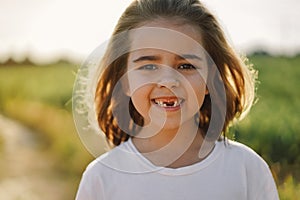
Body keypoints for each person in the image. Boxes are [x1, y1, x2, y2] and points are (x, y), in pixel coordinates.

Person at [74, 0, 279, 199]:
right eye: (149, 66)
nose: (169, 81)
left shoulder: (246, 169)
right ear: (124, 80)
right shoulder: (102, 178)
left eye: (186, 66)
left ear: (210, 78)